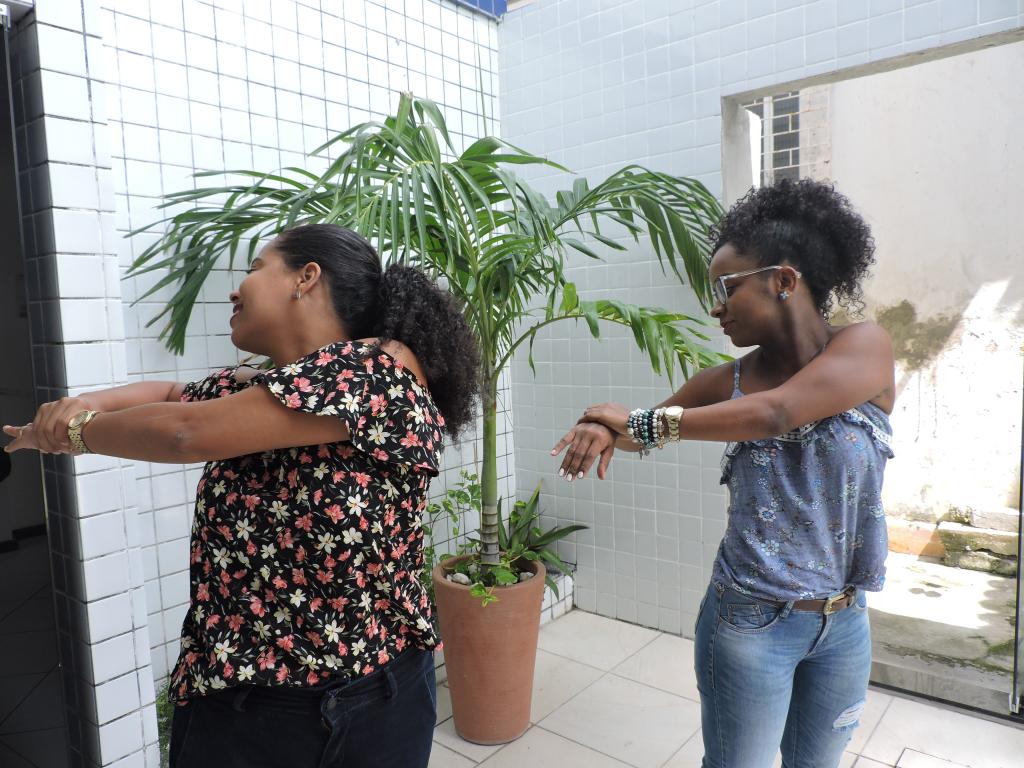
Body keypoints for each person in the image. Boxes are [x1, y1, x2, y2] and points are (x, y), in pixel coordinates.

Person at [4, 224, 480, 768]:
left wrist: (73, 432)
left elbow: (185, 432)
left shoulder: (375, 372)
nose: (237, 288)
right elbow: (172, 394)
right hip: (249, 705)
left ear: (306, 277)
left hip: (361, 708)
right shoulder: (268, 384)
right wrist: (83, 402)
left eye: (254, 268)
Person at [551, 179, 895, 768]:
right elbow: (642, 429)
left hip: (844, 623)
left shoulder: (866, 348)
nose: (716, 308)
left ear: (783, 280)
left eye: (727, 288)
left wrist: (641, 422)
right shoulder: (724, 383)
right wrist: (601, 427)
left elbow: (778, 412)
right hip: (749, 620)